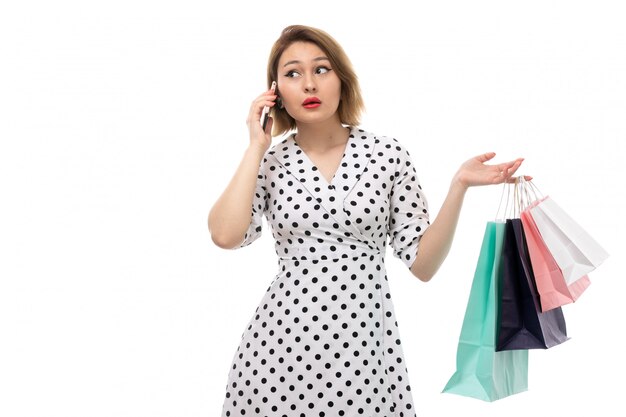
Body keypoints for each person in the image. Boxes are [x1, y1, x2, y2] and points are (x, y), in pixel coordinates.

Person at [208, 24, 525, 417]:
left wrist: (458, 185)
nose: (309, 84)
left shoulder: (386, 155)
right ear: (275, 94)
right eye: (292, 73)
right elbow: (224, 234)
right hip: (279, 351)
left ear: (342, 79)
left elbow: (422, 264)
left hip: (365, 352)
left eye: (321, 69)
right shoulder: (269, 164)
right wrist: (256, 146)